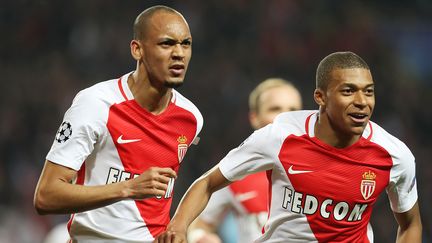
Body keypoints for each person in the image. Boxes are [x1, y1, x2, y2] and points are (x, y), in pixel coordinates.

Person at [156, 51, 422, 243]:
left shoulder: (394, 155)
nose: (362, 101)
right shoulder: (280, 136)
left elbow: (410, 224)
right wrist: (179, 226)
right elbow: (207, 182)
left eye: (369, 91)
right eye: (348, 91)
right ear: (320, 97)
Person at [33, 5, 203, 242]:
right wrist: (128, 188)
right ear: (137, 50)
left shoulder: (191, 118)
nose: (179, 53)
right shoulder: (95, 104)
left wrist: (179, 227)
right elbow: (46, 196)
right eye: (166, 43)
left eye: (186, 44)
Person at [187, 78, 302, 243]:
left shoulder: (324, 171)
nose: (284, 117)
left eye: (293, 110)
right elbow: (199, 225)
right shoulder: (233, 172)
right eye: (275, 109)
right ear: (254, 118)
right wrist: (202, 238)